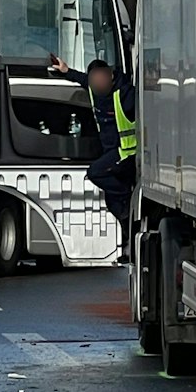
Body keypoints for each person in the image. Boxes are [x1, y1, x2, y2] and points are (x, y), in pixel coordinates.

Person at [49, 52, 138, 260]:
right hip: (111, 153)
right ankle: (129, 247)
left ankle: (125, 195)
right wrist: (66, 71)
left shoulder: (125, 93)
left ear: (111, 77)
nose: (97, 84)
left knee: (95, 173)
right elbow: (80, 78)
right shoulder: (93, 89)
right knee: (112, 203)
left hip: (126, 153)